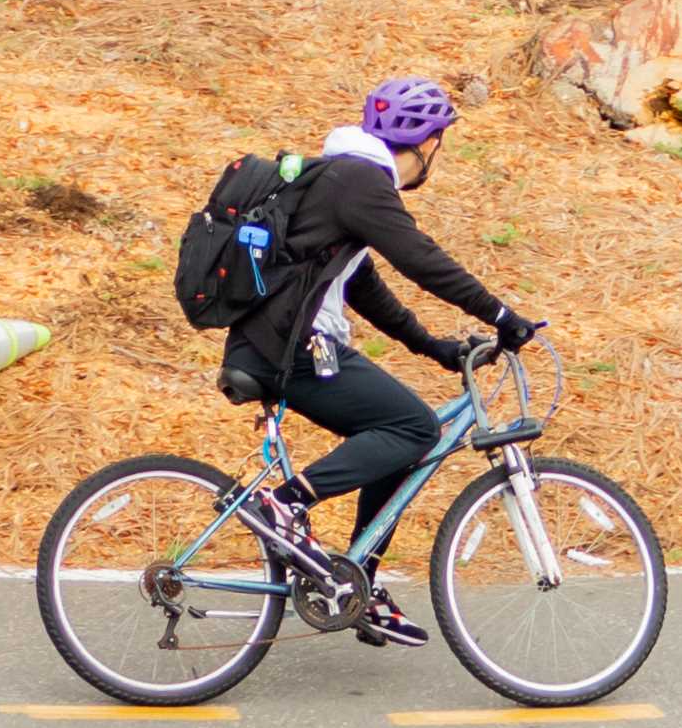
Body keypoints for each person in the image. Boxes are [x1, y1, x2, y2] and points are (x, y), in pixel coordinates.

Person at [218, 78, 538, 646]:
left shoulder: (340, 180)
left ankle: (358, 580)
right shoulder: (361, 181)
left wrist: (432, 347)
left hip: (278, 342)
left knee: (393, 437)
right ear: (426, 142)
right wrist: (501, 313)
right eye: (439, 143)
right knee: (414, 427)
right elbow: (420, 257)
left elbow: (364, 285)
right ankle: (284, 503)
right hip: (288, 347)